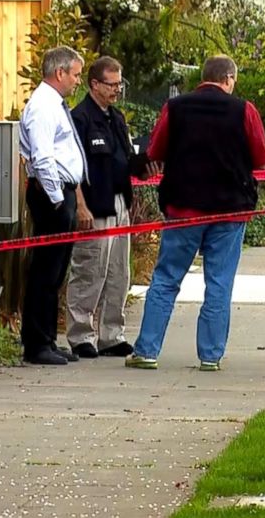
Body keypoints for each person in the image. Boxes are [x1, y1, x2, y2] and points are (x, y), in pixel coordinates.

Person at [126, 54, 265, 371]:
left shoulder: (176, 108)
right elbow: (261, 158)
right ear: (229, 78)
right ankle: (210, 356)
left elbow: (156, 150)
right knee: (219, 283)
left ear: (202, 77)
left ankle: (147, 350)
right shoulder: (244, 110)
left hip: (184, 207)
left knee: (165, 279)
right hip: (230, 210)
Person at [65, 56, 160, 358]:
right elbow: (72, 169)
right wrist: (80, 206)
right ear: (94, 84)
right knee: (90, 271)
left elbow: (125, 160)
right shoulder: (80, 119)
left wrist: (145, 168)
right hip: (95, 206)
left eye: (120, 83)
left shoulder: (116, 118)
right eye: (112, 83)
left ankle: (111, 334)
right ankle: (81, 335)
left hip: (121, 202)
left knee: (119, 272)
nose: (118, 89)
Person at [18, 46, 88, 366]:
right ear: (59, 73)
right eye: (75, 74)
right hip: (52, 194)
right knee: (46, 270)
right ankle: (36, 344)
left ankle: (47, 338)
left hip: (63, 191)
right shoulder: (42, 107)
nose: (77, 81)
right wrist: (57, 199)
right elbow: (43, 156)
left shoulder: (55, 105)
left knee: (57, 270)